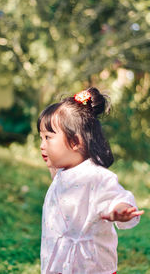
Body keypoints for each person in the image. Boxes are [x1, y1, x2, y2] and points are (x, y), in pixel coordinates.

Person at [37, 87, 144, 274]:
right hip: (58, 264)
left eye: (48, 138)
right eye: (41, 138)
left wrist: (119, 211)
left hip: (89, 267)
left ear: (75, 142)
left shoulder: (96, 177)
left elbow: (116, 197)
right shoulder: (61, 171)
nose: (42, 145)